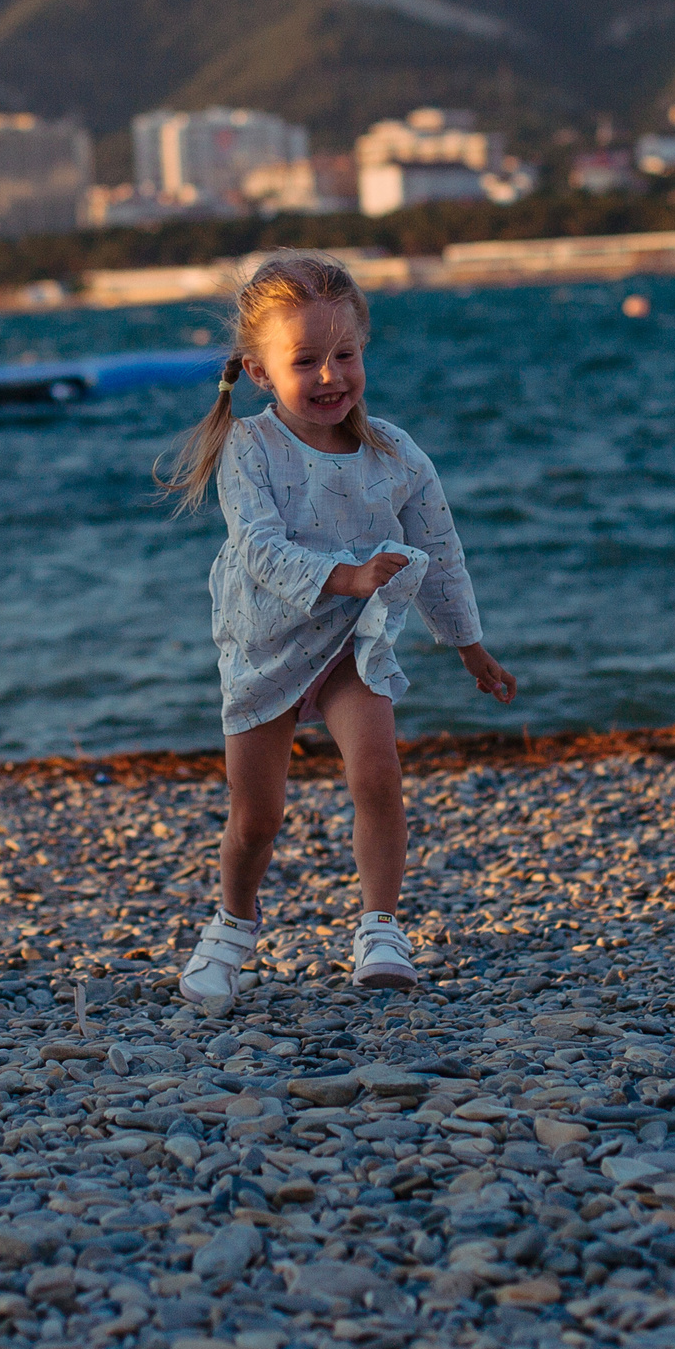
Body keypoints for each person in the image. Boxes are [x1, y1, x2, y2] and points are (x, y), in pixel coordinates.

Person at [156, 252, 516, 1007]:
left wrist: (469, 645)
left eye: (344, 355)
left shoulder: (395, 452)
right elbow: (257, 548)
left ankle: (380, 925)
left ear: (363, 350)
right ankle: (231, 927)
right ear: (259, 370)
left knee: (377, 775)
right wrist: (346, 575)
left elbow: (442, 550)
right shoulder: (251, 448)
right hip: (268, 641)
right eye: (306, 360)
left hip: (356, 639)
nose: (330, 377)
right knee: (258, 816)